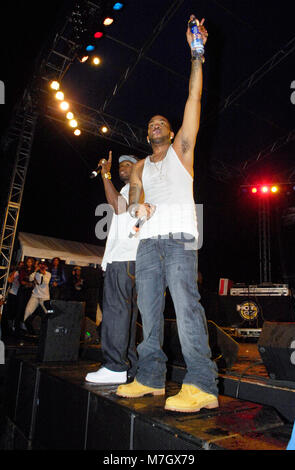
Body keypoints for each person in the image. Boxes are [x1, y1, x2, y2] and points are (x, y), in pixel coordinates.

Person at [116, 15, 219, 412]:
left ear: (172, 133)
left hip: (178, 240)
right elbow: (131, 205)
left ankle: (202, 384)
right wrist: (137, 210)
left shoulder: (182, 153)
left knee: (186, 305)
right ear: (147, 136)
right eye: (151, 124)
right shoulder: (140, 165)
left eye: (163, 123)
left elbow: (193, 99)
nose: (157, 124)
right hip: (147, 244)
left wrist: (197, 54)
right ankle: (151, 377)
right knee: (149, 311)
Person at [85, 153, 140, 385]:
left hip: (124, 259)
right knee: (125, 317)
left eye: (128, 165)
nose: (122, 168)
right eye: (120, 166)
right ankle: (129, 366)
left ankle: (115, 366)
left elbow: (118, 208)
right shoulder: (132, 190)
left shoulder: (135, 189)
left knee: (116, 313)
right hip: (131, 260)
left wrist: (105, 175)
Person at [22, 259, 51, 335]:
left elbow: (45, 282)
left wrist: (43, 273)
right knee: (28, 311)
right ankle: (27, 329)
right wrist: (35, 271)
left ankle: (48, 329)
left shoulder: (48, 274)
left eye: (43, 265)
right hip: (35, 295)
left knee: (48, 312)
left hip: (44, 297)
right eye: (40, 265)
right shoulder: (35, 273)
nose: (41, 266)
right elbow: (30, 278)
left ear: (46, 267)